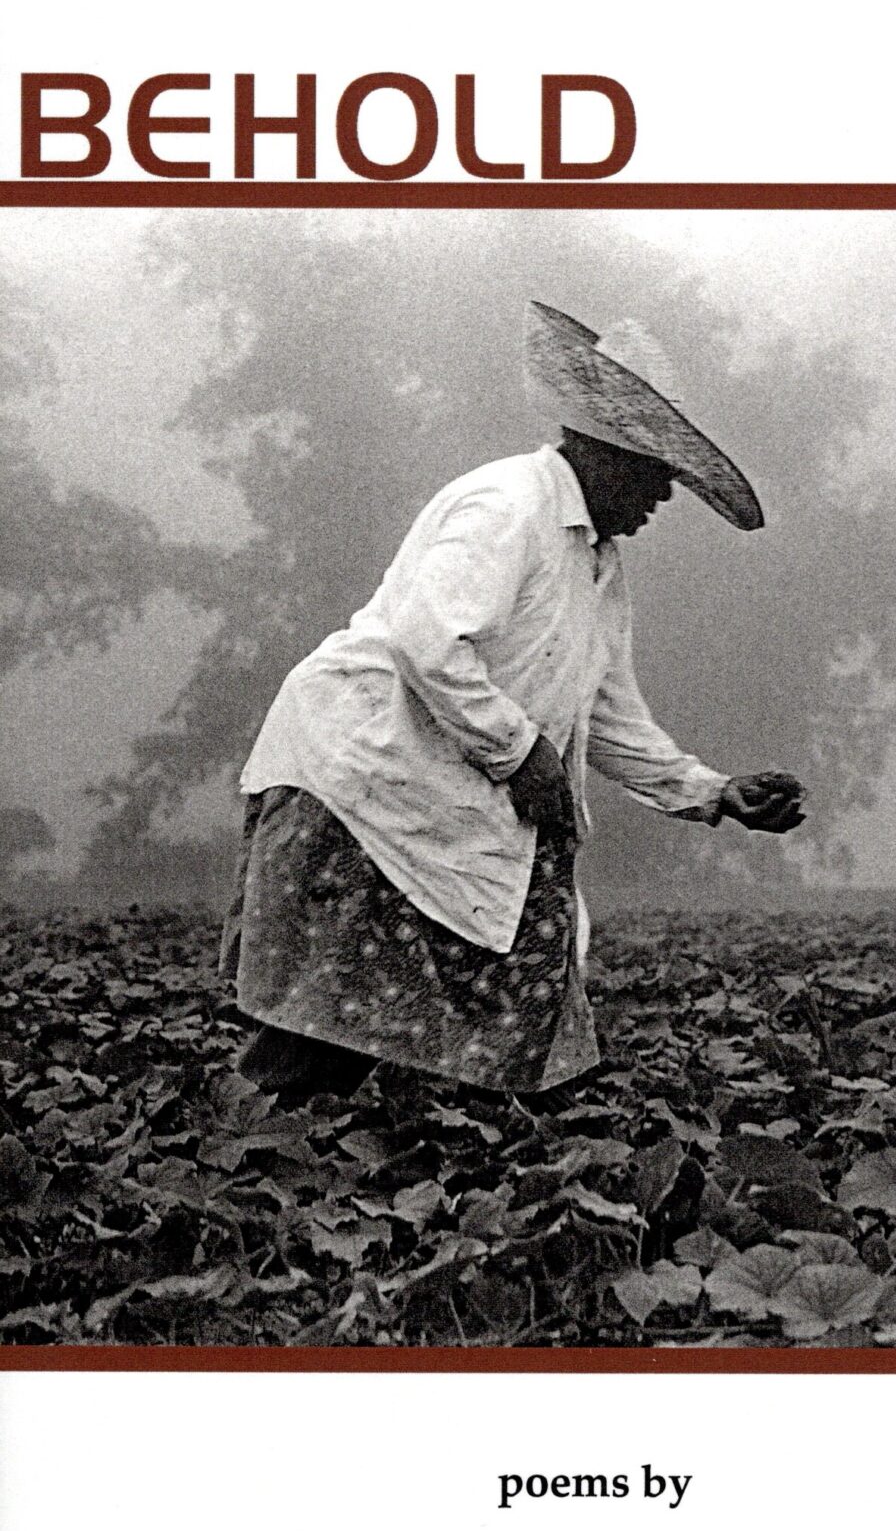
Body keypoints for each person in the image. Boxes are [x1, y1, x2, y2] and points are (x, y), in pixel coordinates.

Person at [219, 301, 806, 1110]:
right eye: (653, 474)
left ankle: (456, 1174)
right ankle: (237, 1160)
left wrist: (711, 792)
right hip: (361, 781)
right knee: (324, 1029)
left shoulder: (598, 566)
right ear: (602, 452)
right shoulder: (505, 506)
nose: (662, 498)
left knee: (481, 1012)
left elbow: (603, 711)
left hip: (440, 803)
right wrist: (519, 751)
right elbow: (428, 638)